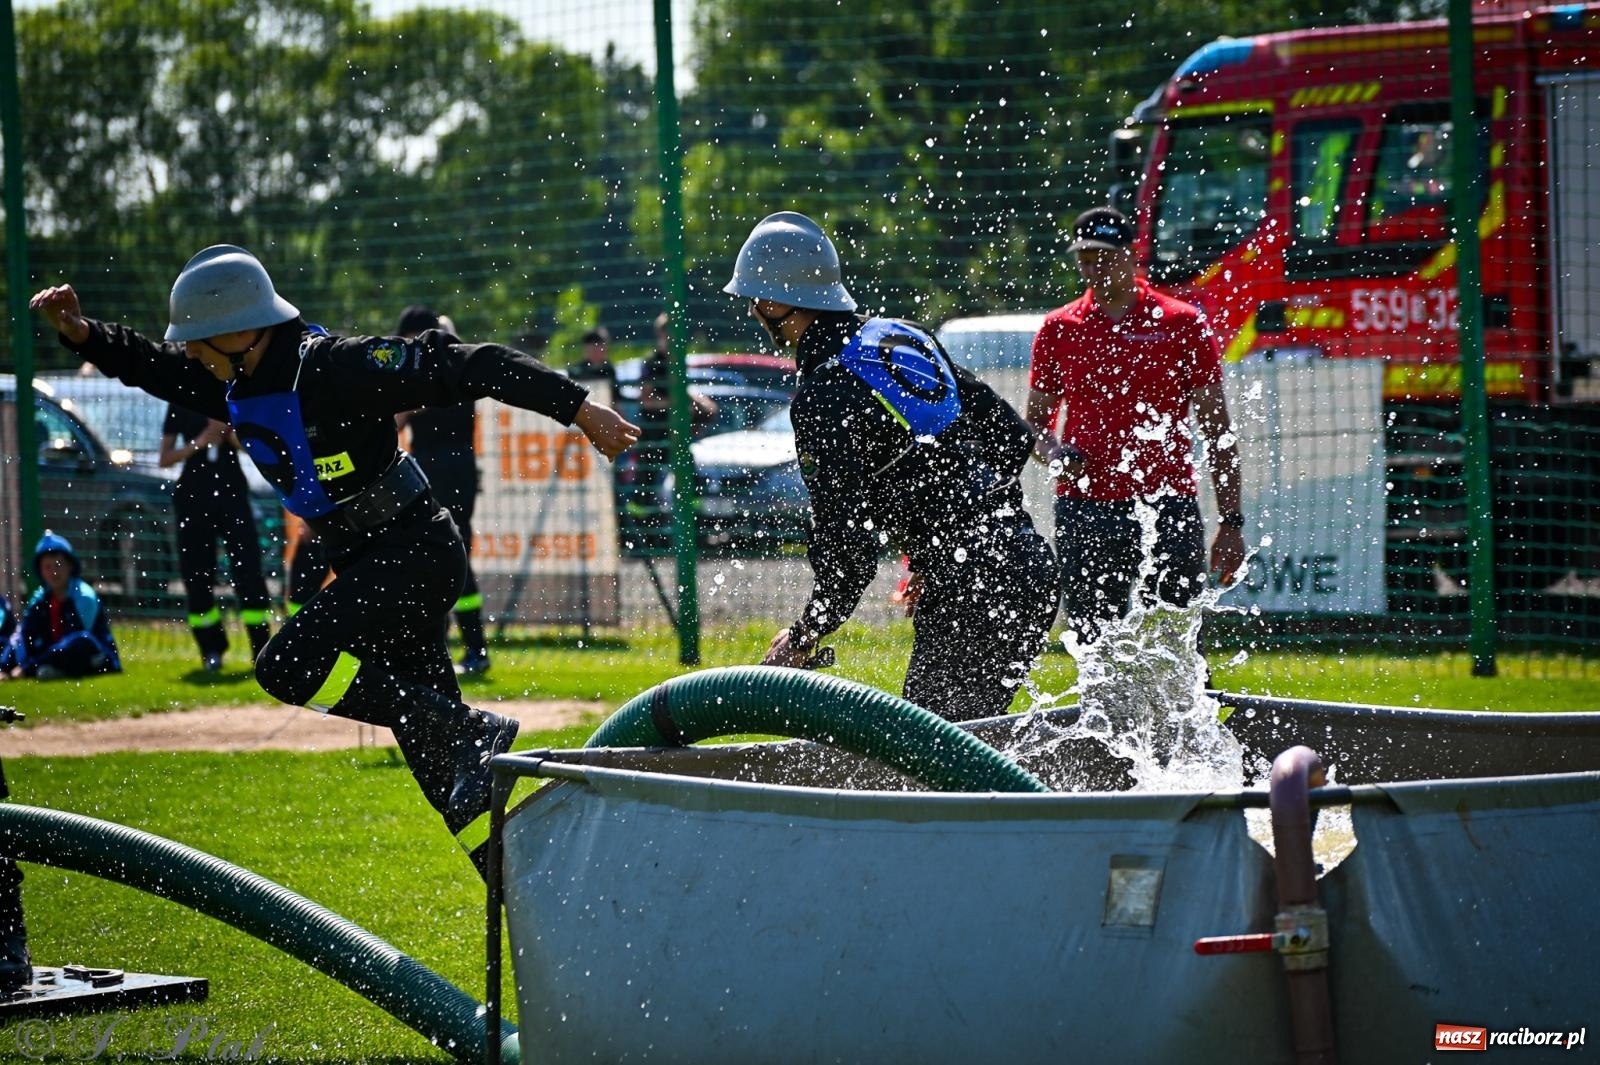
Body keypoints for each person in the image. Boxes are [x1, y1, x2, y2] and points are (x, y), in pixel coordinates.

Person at [29, 245, 638, 875]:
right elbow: (152, 367)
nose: (188, 353)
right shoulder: (230, 380)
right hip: (369, 563)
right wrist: (84, 335)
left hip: (413, 550)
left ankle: (460, 724)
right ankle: (530, 882)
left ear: (242, 332)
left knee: (285, 666)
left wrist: (578, 407)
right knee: (446, 777)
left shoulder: (334, 367)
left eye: (197, 340)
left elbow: (467, 364)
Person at [725, 211, 1059, 722]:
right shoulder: (904, 338)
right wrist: (941, 552)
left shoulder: (823, 393)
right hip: (1025, 564)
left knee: (929, 765)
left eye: (754, 299)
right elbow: (1012, 441)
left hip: (973, 589)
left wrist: (807, 631)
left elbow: (846, 541)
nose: (751, 312)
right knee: (955, 750)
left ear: (776, 302)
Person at [1024, 206, 1247, 649]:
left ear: (1131, 254)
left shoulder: (1181, 323)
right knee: (1094, 651)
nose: (1092, 268)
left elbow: (1218, 431)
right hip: (1084, 510)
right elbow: (1033, 426)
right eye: (1084, 258)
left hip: (1167, 506)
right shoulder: (1058, 328)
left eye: (1103, 257)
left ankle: (1182, 721)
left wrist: (1231, 522)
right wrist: (1055, 458)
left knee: (1176, 649)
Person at [393, 306, 491, 676]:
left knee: (442, 554)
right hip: (457, 467)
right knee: (451, 553)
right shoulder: (459, 366)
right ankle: (466, 646)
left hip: (437, 468)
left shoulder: (426, 372)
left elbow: (398, 418)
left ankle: (467, 647)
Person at [159, 404, 274, 672]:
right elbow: (164, 458)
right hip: (193, 498)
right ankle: (211, 649)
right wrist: (200, 442)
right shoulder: (179, 399)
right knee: (197, 576)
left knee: (249, 572)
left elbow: (256, 447)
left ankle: (262, 650)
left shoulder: (230, 397)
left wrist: (230, 434)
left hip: (232, 494)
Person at [0, 531, 123, 681]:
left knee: (80, 642)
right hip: (52, 656)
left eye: (58, 565)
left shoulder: (84, 596)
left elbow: (75, 640)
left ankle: (43, 669)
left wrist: (27, 667)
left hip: (95, 657)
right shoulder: (41, 598)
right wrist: (4, 666)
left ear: (70, 566)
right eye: (47, 567)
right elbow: (22, 634)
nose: (53, 572)